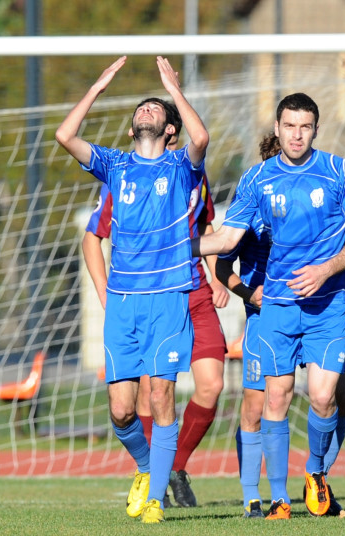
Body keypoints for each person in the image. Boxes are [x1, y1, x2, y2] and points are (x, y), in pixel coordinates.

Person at [192, 93, 345, 520]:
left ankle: (315, 474)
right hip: (275, 306)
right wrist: (172, 245)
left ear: (315, 129)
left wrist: (326, 270)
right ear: (277, 127)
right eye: (289, 126)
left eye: (305, 126)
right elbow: (227, 242)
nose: (296, 134)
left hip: (328, 303)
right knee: (275, 397)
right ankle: (278, 500)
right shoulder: (257, 180)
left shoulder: (338, 171)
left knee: (325, 396)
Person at [56, 56, 209, 523]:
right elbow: (65, 136)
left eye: (155, 109)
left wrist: (173, 90)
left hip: (167, 299)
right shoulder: (116, 166)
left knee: (161, 396)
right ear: (130, 129)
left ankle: (157, 500)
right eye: (140, 108)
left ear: (169, 130)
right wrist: (98, 87)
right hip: (123, 304)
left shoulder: (183, 166)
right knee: (122, 412)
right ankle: (146, 469)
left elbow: (201, 138)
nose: (146, 110)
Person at [81, 103, 229, 509]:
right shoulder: (125, 178)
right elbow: (92, 236)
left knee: (213, 384)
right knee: (149, 395)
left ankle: (172, 467)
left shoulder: (190, 172)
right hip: (149, 293)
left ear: (173, 132)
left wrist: (217, 278)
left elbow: (205, 229)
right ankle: (155, 475)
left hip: (193, 289)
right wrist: (104, 289)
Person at [216, 132, 345, 519]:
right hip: (268, 316)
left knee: (335, 396)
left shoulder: (317, 205)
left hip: (317, 309)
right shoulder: (252, 212)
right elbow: (223, 261)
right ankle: (254, 497)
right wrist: (245, 291)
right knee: (258, 405)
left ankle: (319, 481)